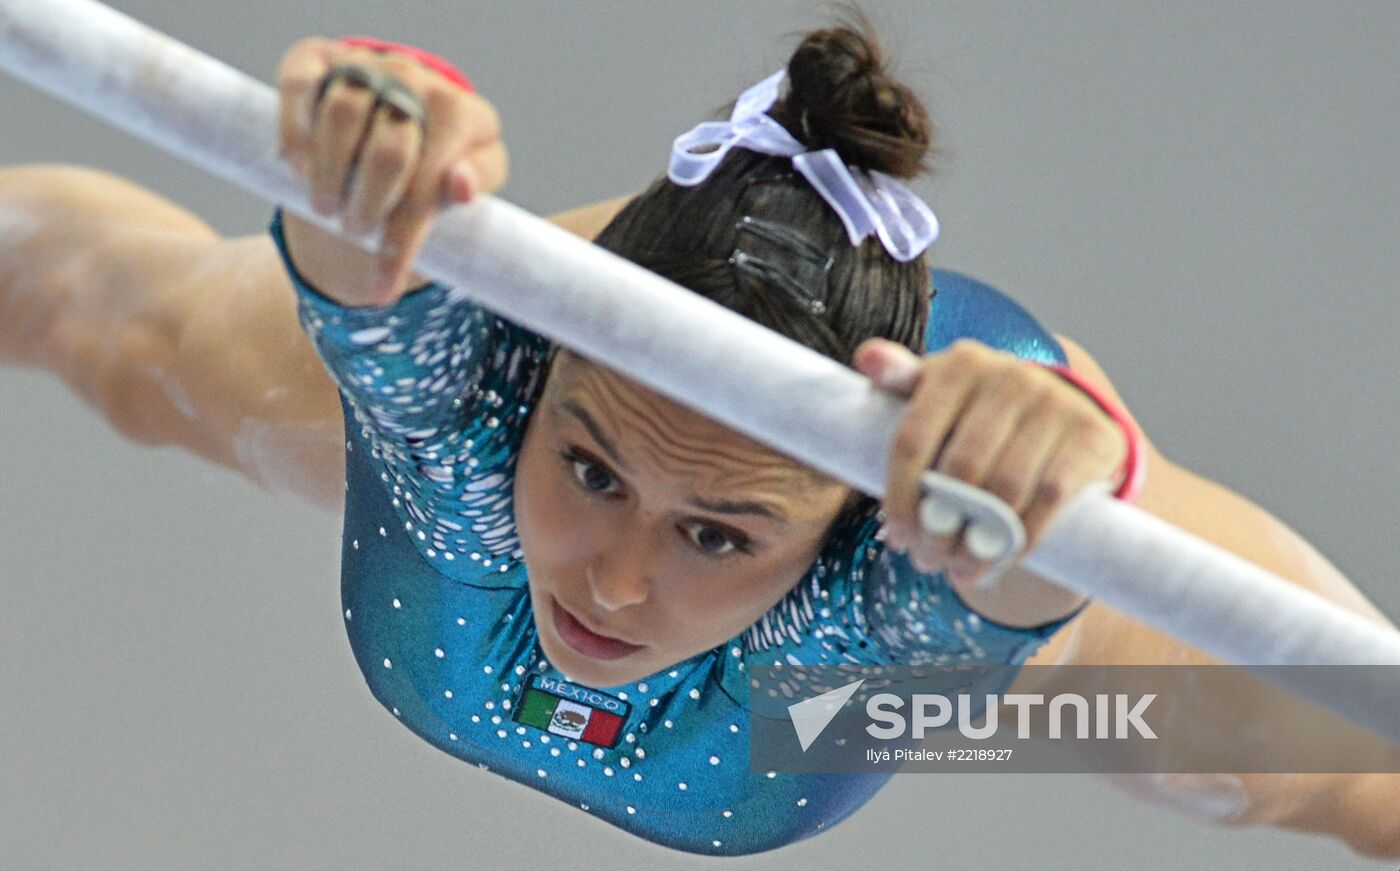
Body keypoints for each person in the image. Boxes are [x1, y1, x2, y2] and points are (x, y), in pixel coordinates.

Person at [1, 14, 1396, 859]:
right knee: (128, 338)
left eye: (715, 536)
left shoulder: (853, 644)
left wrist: (1054, 488)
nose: (612, 582)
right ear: (531, 382)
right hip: (623, 351)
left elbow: (1011, 576)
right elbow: (359, 260)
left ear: (841, 540)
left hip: (944, 473)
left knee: (1311, 761)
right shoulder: (467, 432)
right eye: (593, 478)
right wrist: (374, 143)